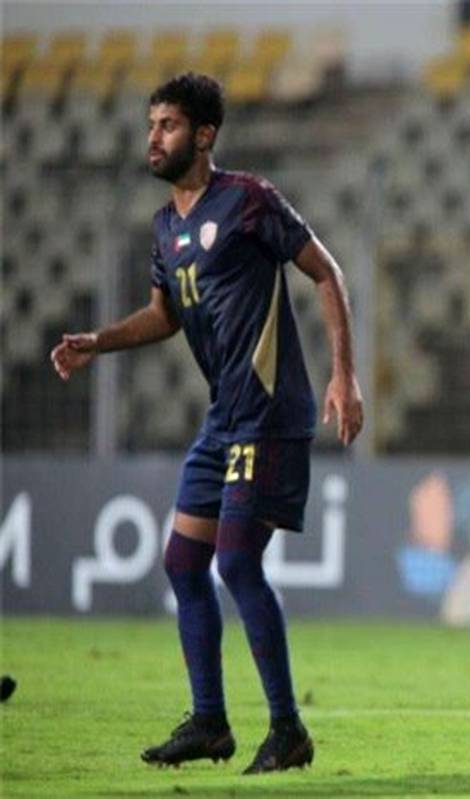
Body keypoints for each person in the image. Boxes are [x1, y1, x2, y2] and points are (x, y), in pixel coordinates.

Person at [50, 73, 364, 774]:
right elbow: (163, 316)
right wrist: (98, 341)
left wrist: (344, 374)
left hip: (269, 411)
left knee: (237, 561)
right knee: (182, 561)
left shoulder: (249, 200)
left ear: (204, 134)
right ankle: (210, 722)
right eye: (150, 124)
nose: (153, 137)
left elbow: (327, 273)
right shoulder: (165, 226)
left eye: (167, 125)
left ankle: (287, 729)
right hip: (222, 418)